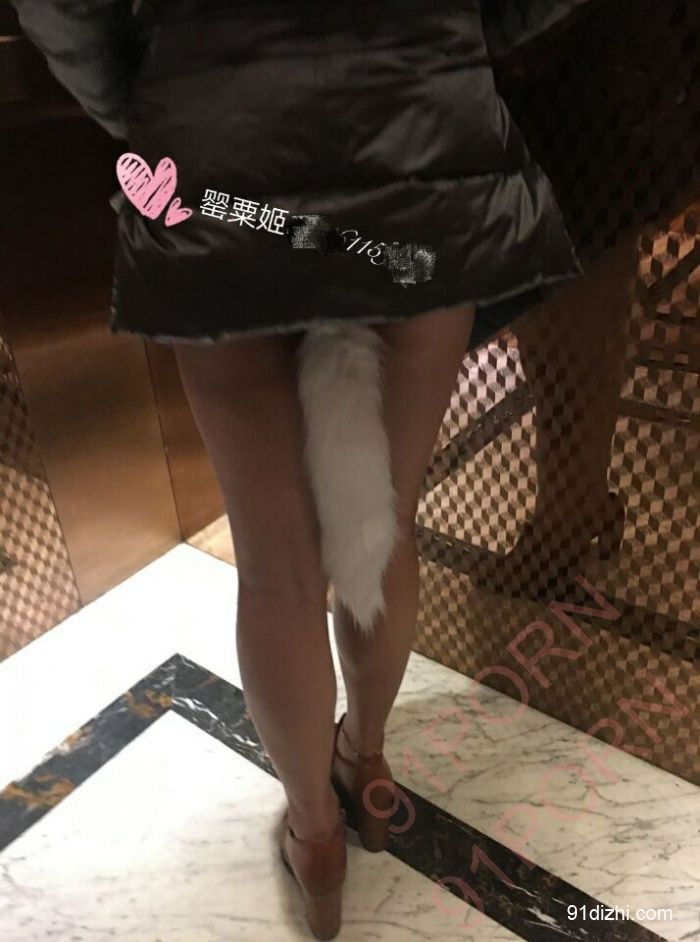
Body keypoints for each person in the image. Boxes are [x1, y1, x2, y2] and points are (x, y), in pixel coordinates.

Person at [10, 0, 593, 936]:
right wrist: (446, 37)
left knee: (277, 571)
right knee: (384, 529)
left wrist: (155, 89)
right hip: (420, 139)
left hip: (214, 149)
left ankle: (316, 836)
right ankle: (368, 762)